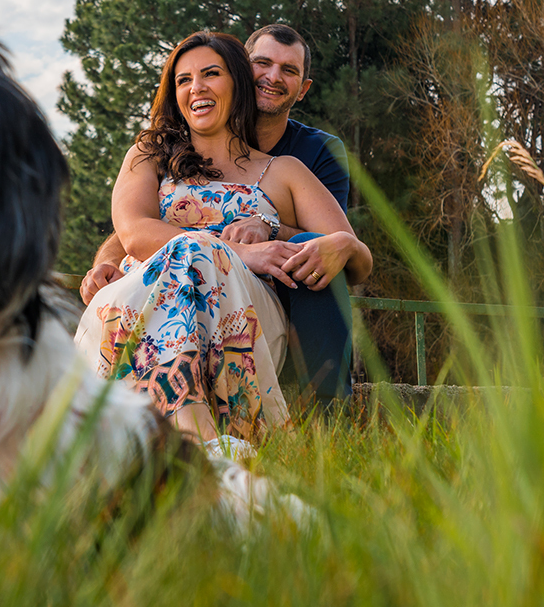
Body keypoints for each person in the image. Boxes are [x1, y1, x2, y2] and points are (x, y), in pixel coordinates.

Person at [73, 31, 371, 449]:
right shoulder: (149, 154)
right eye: (183, 80)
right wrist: (240, 251)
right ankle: (201, 441)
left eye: (211, 73)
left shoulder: (287, 170)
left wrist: (338, 243)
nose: (196, 87)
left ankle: (191, 434)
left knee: (193, 250)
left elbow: (353, 252)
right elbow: (133, 232)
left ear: (237, 82)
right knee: (191, 250)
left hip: (240, 318)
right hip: (138, 302)